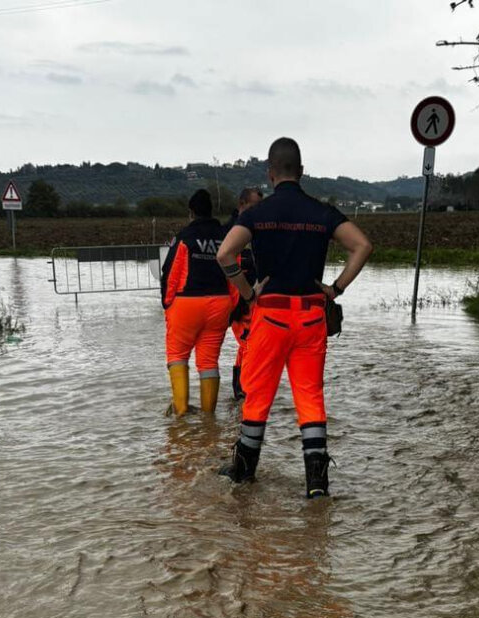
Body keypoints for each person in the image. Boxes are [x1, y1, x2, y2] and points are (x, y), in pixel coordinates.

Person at [216, 137, 373, 498]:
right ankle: (317, 485)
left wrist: (247, 292)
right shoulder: (321, 212)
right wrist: (335, 289)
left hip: (269, 319)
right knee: (310, 397)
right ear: (301, 172)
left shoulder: (257, 214)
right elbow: (363, 246)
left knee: (257, 396)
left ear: (270, 173)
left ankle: (243, 473)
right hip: (310, 319)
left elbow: (225, 254)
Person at [160, 189, 232, 416]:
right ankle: (208, 416)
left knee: (177, 355)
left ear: (191, 212)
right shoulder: (225, 236)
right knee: (209, 362)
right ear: (211, 211)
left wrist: (167, 302)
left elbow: (170, 272)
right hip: (220, 303)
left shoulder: (184, 237)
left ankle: (180, 410)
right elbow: (234, 271)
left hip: (186, 303)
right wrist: (231, 306)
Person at [221, 187, 264, 400]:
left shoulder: (260, 231)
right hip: (236, 301)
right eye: (253, 206)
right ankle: (244, 391)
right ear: (241, 204)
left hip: (254, 300)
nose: (257, 211)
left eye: (260, 207)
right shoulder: (228, 231)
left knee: (247, 345)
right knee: (249, 344)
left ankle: (240, 392)